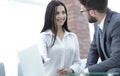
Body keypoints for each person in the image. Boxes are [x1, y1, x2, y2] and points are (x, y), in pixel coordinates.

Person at [38, 1, 81, 76]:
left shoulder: (72, 37)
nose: (61, 16)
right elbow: (43, 56)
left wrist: (70, 70)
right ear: (50, 15)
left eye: (63, 12)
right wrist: (40, 59)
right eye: (57, 13)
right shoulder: (44, 36)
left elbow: (77, 62)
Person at [78, 0, 120, 75]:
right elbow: (93, 50)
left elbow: (117, 59)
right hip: (112, 70)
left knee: (112, 72)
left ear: (92, 12)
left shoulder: (117, 23)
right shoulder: (98, 23)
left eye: (82, 11)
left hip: (115, 71)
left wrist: (88, 71)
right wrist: (86, 72)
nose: (83, 14)